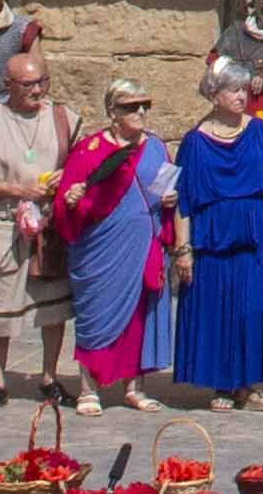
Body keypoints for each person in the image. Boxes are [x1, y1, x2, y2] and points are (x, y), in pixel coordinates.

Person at [49, 77, 173, 405]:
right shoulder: (89, 150)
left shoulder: (157, 147)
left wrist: (171, 200)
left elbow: (166, 190)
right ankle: (89, 389)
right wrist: (72, 199)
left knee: (137, 318)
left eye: (145, 104)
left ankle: (134, 388)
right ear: (112, 111)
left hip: (142, 245)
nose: (141, 111)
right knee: (95, 314)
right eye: (130, 107)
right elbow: (63, 204)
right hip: (100, 250)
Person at [171, 65, 263, 403]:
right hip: (212, 240)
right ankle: (222, 385)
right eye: (233, 90)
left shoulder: (260, 132)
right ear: (213, 95)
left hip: (252, 238)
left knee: (252, 311)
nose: (241, 96)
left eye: (244, 90)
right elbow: (184, 200)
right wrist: (183, 249)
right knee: (217, 311)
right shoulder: (194, 142)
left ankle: (248, 385)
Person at [0, 43, 67, 405]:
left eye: (42, 82)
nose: (37, 90)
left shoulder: (63, 118)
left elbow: (82, 162)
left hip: (48, 227)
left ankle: (49, 378)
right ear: (9, 85)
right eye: (28, 84)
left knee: (52, 308)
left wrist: (65, 179)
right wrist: (14, 189)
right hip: (6, 224)